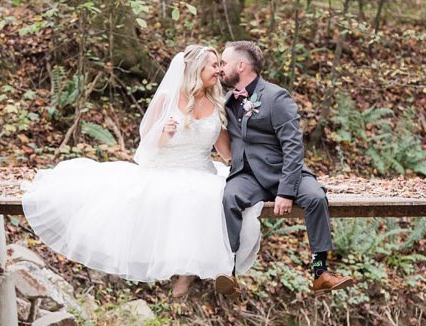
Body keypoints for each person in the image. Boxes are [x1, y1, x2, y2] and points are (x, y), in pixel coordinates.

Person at [20, 45, 261, 298]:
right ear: (195, 69)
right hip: (165, 169)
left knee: (215, 198)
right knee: (171, 197)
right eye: (214, 65)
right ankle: (181, 270)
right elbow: (145, 144)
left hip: (202, 171)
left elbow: (226, 153)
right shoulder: (168, 99)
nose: (219, 70)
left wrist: (251, 160)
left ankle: (200, 273)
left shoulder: (217, 103)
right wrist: (162, 134)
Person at [217, 40, 354, 296]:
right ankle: (229, 270)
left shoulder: (276, 97)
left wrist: (286, 191)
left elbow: (293, 147)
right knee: (229, 197)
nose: (221, 68)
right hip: (248, 175)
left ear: (241, 65)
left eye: (224, 63)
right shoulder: (227, 101)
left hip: (283, 171)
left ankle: (320, 272)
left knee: (315, 198)